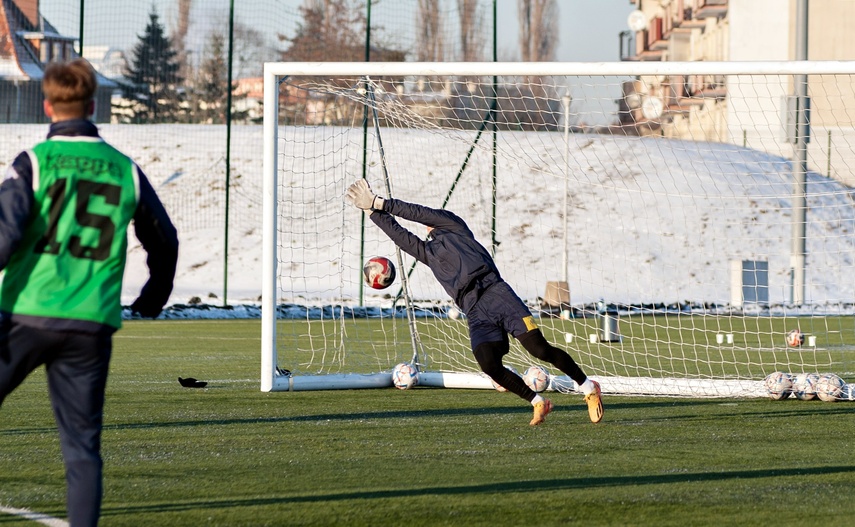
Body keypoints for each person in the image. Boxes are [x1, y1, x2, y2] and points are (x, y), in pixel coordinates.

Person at [0, 59, 179, 526]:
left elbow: (5, 235)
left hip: (26, 314)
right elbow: (165, 239)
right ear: (94, 103)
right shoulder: (125, 169)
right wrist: (152, 299)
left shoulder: (36, 161)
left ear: (47, 106)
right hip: (90, 324)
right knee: (81, 448)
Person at [346, 179, 603, 426]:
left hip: (497, 294)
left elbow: (416, 212)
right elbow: (400, 236)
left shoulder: (453, 226)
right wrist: (371, 211)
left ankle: (589, 388)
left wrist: (381, 203)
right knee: (488, 364)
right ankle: (538, 402)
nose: (425, 225)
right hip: (474, 310)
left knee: (540, 350)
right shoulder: (428, 252)